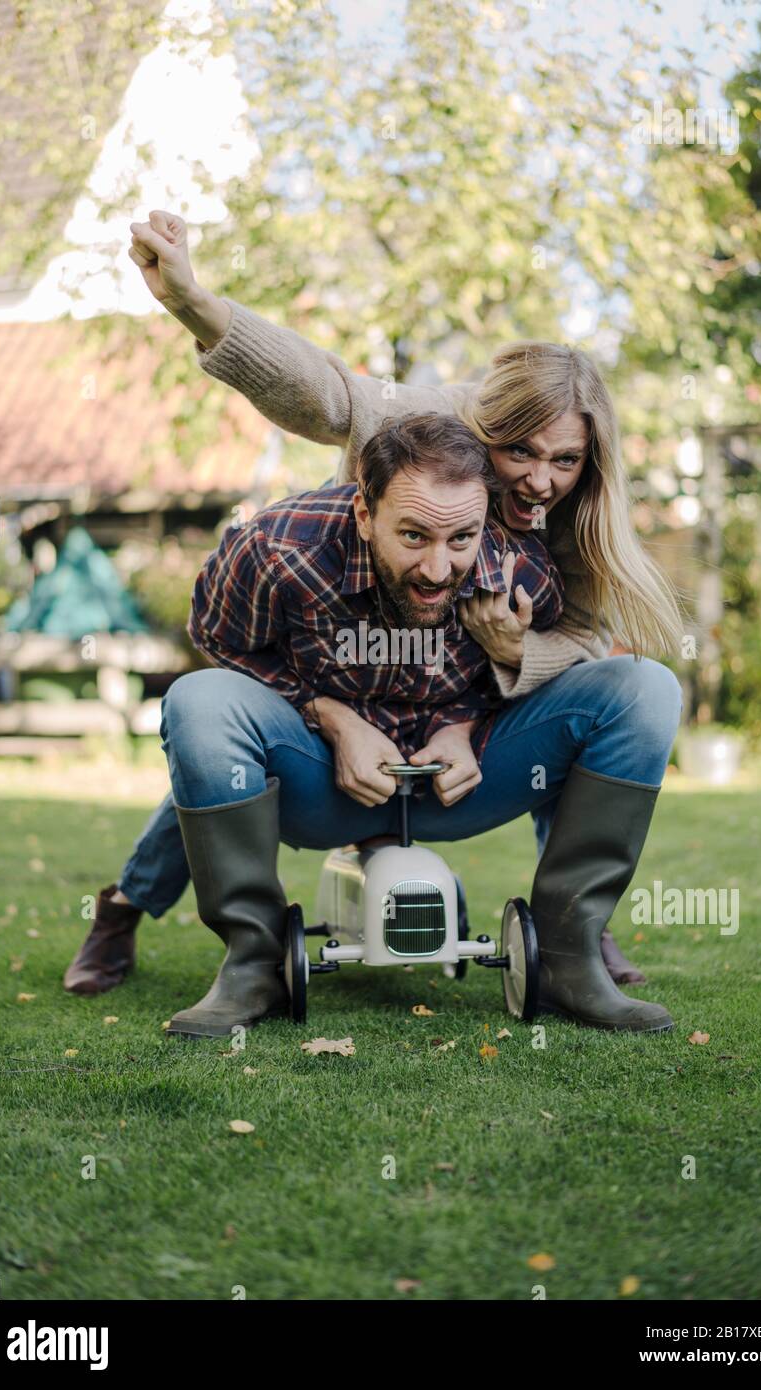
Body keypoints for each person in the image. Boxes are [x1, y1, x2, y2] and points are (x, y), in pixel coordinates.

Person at [63, 208, 683, 995]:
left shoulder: (569, 520)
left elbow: (583, 650)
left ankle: (574, 938)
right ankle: (127, 907)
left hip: (459, 712)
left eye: (562, 459)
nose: (537, 479)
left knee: (595, 702)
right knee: (216, 723)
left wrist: (513, 658)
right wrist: (193, 302)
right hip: (337, 667)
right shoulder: (418, 433)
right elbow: (322, 390)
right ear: (478, 428)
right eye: (517, 451)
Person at [156, 412, 680, 1038]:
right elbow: (218, 638)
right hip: (321, 784)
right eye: (413, 537)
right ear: (362, 513)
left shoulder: (521, 570)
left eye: (461, 539)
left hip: (458, 785)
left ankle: (568, 961)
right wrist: (329, 716)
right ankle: (254, 964)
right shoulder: (276, 546)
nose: (437, 570)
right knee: (198, 700)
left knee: (645, 688)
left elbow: (546, 677)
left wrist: (465, 723)